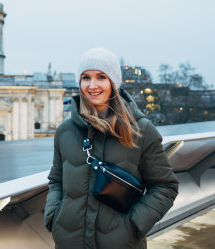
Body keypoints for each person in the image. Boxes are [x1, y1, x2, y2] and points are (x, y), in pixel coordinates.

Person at [44, 48, 178, 248]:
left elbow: (165, 187)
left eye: (101, 77)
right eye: (86, 77)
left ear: (113, 82)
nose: (92, 85)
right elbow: (56, 181)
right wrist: (54, 217)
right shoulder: (65, 131)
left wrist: (133, 225)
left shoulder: (142, 130)